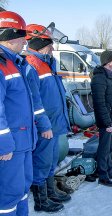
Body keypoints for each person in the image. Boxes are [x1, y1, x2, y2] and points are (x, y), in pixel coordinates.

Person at [25, 24, 71, 212]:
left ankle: (50, 191)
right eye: (48, 44)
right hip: (44, 125)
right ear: (37, 43)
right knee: (41, 162)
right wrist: (43, 125)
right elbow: (34, 101)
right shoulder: (31, 65)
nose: (52, 48)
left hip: (55, 123)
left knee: (51, 161)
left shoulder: (47, 63)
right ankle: (41, 200)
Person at [0, 11, 37, 215]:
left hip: (22, 142)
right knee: (7, 197)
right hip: (9, 147)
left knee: (22, 190)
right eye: (23, 36)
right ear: (11, 36)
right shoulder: (2, 64)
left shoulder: (15, 62)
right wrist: (3, 144)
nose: (25, 41)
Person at [91, 51, 112, 187]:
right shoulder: (100, 78)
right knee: (104, 148)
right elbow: (99, 103)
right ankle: (103, 175)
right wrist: (107, 122)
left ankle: (109, 170)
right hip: (106, 121)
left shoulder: (110, 76)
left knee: (110, 147)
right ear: (109, 62)